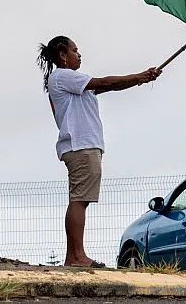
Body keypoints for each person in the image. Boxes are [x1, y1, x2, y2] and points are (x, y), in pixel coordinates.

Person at [37, 35, 160, 268]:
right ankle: (77, 257)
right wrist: (139, 76)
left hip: (80, 146)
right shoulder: (64, 76)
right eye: (75, 50)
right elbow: (104, 83)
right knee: (79, 200)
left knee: (79, 199)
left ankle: (73, 256)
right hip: (80, 146)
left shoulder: (72, 82)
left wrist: (139, 80)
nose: (79, 54)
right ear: (63, 55)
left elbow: (110, 87)